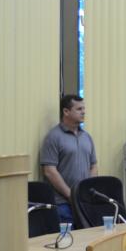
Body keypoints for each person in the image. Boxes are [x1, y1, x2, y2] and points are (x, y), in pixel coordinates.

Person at [39, 94, 98, 224]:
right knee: (68, 241)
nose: (84, 112)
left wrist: (86, 192)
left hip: (84, 202)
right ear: (66, 111)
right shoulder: (54, 136)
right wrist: (71, 195)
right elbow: (49, 170)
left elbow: (93, 165)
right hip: (62, 203)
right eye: (79, 109)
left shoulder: (86, 136)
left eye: (84, 108)